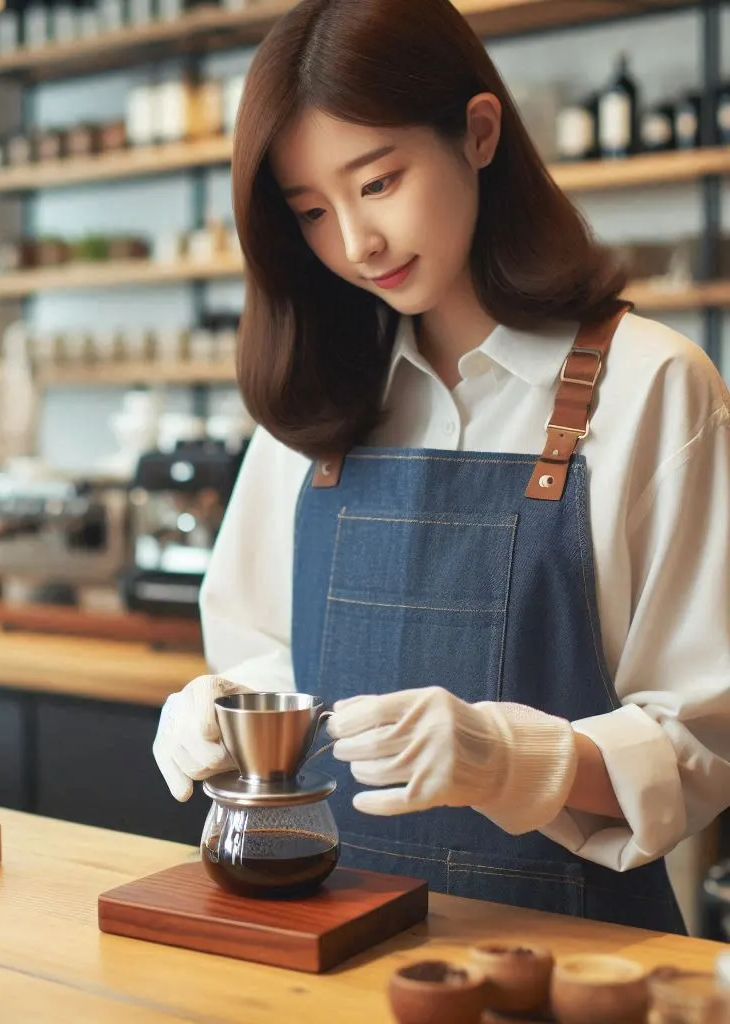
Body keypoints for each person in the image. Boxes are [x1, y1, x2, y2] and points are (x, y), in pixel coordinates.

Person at [152, 0, 730, 934]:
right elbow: (266, 654)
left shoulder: (654, 385)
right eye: (310, 211)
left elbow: (704, 743)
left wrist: (508, 760)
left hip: (570, 960)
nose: (354, 243)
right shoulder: (315, 403)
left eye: (377, 182)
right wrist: (222, 712)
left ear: (478, 132)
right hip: (329, 948)